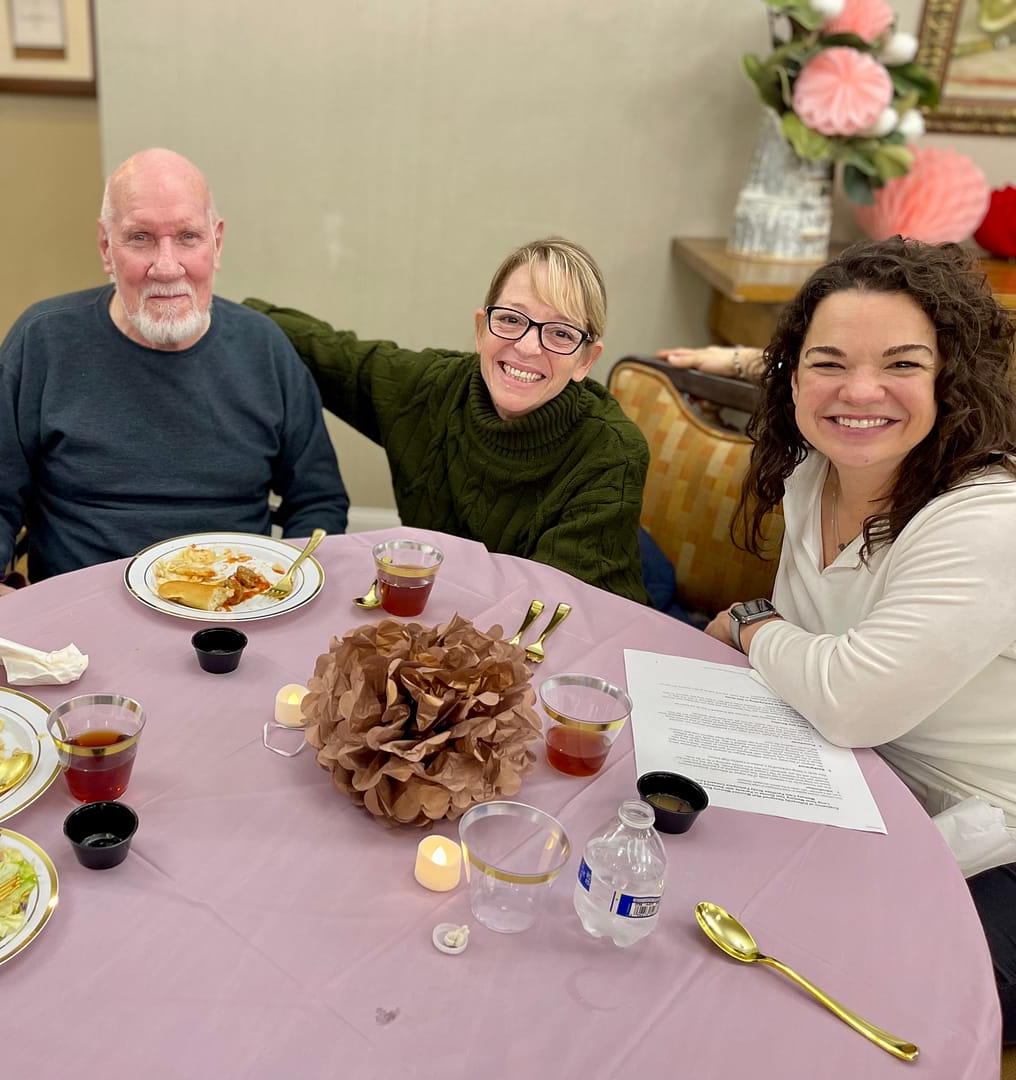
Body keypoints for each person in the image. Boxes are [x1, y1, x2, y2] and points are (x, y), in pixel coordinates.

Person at [702, 237, 1016, 1039]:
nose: (860, 390)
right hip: (860, 787)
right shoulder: (816, 472)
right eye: (829, 362)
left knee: (823, 1010)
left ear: (953, 376)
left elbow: (849, 702)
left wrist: (752, 624)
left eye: (904, 365)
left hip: (999, 847)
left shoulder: (987, 520)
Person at [0, 148, 348, 627]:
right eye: (141, 239)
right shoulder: (43, 340)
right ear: (107, 248)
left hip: (235, 620)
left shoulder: (265, 349)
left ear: (217, 242)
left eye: (188, 237)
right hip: (81, 621)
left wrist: (285, 595)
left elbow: (317, 501)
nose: (166, 267)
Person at [245, 237, 649, 604]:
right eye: (511, 319)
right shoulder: (431, 390)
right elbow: (331, 353)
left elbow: (543, 611)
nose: (527, 346)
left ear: (586, 360)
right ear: (480, 329)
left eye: (560, 333)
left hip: (580, 633)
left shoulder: (612, 452)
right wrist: (215, 308)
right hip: (451, 620)